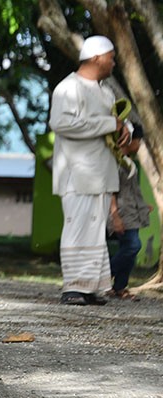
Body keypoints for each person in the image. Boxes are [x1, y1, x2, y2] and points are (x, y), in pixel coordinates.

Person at [49, 35, 131, 306]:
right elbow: (61, 123)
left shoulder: (105, 91)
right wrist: (109, 124)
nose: (114, 62)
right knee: (77, 226)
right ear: (97, 57)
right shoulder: (68, 87)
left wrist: (125, 132)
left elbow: (118, 123)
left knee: (95, 230)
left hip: (101, 172)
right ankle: (72, 287)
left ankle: (89, 288)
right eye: (111, 57)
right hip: (77, 172)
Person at [108, 124, 151, 300]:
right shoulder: (115, 162)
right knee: (133, 245)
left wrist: (143, 205)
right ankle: (101, 277)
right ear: (129, 139)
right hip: (122, 212)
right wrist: (115, 215)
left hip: (133, 212)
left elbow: (131, 190)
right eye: (138, 140)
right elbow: (111, 190)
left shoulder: (129, 162)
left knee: (129, 249)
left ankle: (119, 286)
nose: (139, 144)